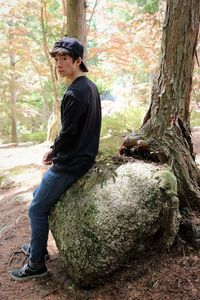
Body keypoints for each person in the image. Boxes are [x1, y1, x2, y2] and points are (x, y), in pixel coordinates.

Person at [11, 37, 102, 281]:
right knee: (37, 194)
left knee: (36, 209)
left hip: (71, 164)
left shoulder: (74, 92)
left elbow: (69, 133)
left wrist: (54, 151)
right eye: (57, 59)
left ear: (78, 61)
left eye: (64, 59)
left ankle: (36, 264)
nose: (59, 64)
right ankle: (36, 246)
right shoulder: (90, 87)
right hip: (83, 157)